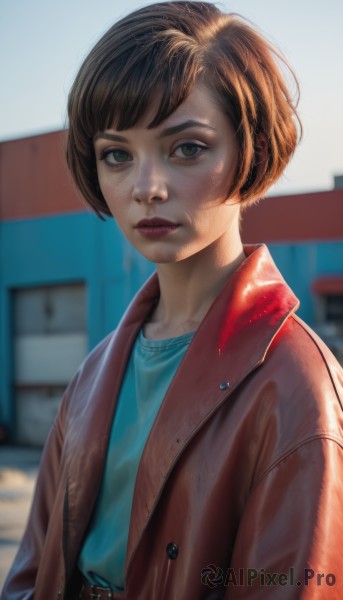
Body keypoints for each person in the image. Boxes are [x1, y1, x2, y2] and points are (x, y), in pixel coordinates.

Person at [2, 2, 343, 599]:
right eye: (117, 154)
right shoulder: (93, 374)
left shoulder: (296, 389)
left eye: (186, 148)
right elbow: (32, 574)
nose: (145, 187)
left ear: (252, 152)